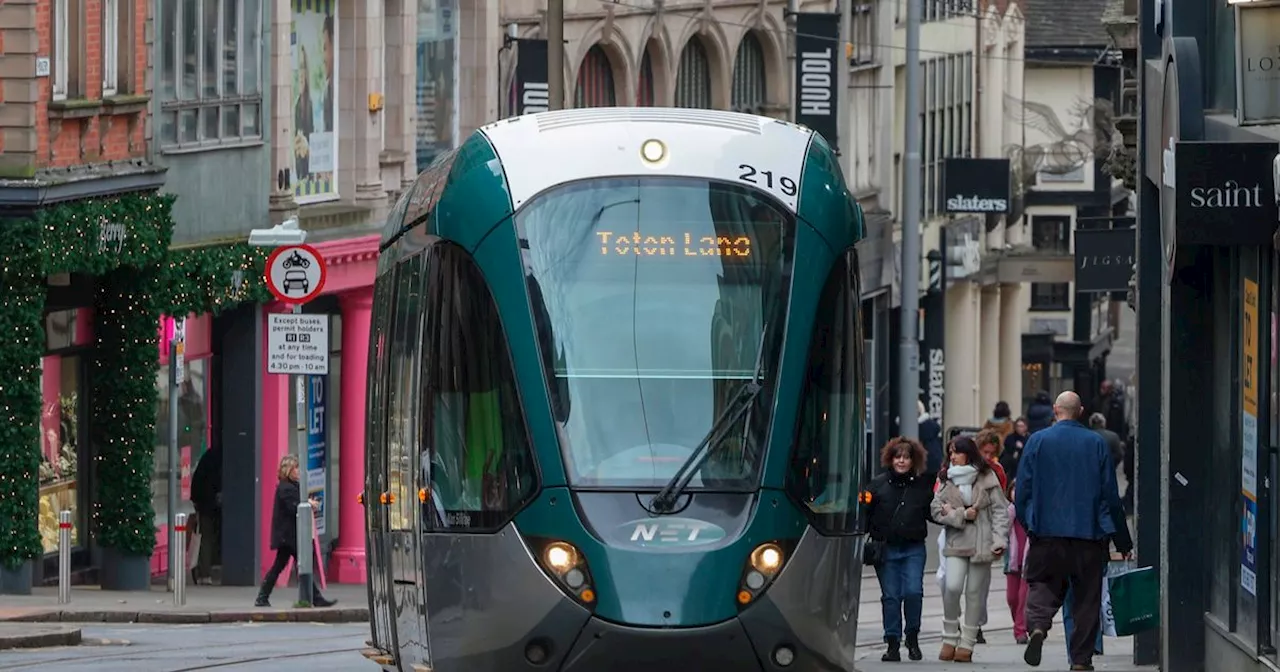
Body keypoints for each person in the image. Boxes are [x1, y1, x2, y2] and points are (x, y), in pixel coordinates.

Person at [1017, 391, 1133, 671]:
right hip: (1089, 535)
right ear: (1080, 411)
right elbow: (1110, 495)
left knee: (1043, 584)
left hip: (1047, 531)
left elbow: (1023, 491)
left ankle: (1038, 626)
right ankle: (1081, 660)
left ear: (1055, 410)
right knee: (1086, 598)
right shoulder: (1095, 443)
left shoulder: (1037, 441)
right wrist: (1122, 539)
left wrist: (1031, 524)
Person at [931, 436, 1009, 663]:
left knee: (975, 594)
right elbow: (936, 510)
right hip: (956, 541)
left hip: (982, 543)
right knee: (952, 586)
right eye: (950, 452)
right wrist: (960, 515)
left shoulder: (987, 476)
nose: (952, 456)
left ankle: (967, 643)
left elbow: (1000, 511)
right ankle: (949, 636)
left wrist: (999, 540)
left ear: (968, 453)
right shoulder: (946, 477)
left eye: (956, 452)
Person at [863, 437, 935, 662]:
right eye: (898, 457)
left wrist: (958, 515)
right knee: (891, 597)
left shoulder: (923, 485)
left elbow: (933, 512)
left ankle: (912, 638)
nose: (902, 461)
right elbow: (864, 514)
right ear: (890, 459)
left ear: (914, 460)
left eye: (906, 457)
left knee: (913, 592)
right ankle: (892, 643)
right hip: (886, 549)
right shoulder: (877, 485)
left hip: (913, 547)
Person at [255, 455, 336, 608]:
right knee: (299, 564)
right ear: (288, 470)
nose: (299, 471)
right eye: (296, 468)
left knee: (282, 566)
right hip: (288, 536)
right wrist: (307, 503)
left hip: (290, 535)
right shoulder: (285, 488)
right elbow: (294, 507)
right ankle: (314, 597)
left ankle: (263, 597)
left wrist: (307, 502)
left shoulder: (292, 486)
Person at [189, 444, 222, 585]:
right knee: (207, 537)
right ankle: (204, 574)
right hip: (209, 504)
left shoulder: (209, 458)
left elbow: (198, 482)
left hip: (204, 503)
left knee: (204, 537)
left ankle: (203, 572)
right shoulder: (219, 459)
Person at [1003, 478, 1031, 645]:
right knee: (1012, 598)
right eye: (1014, 489)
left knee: (1023, 597)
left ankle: (1020, 630)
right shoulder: (1008, 512)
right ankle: (1019, 623)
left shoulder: (1032, 512)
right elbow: (1000, 530)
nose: (1016, 493)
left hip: (1029, 562)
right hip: (1012, 562)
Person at [1001, 418, 1029, 482]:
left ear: (1026, 427)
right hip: (1011, 465)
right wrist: (1015, 446)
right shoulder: (1010, 437)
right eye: (1017, 426)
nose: (1019, 428)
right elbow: (1007, 449)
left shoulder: (1028, 438)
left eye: (1021, 426)